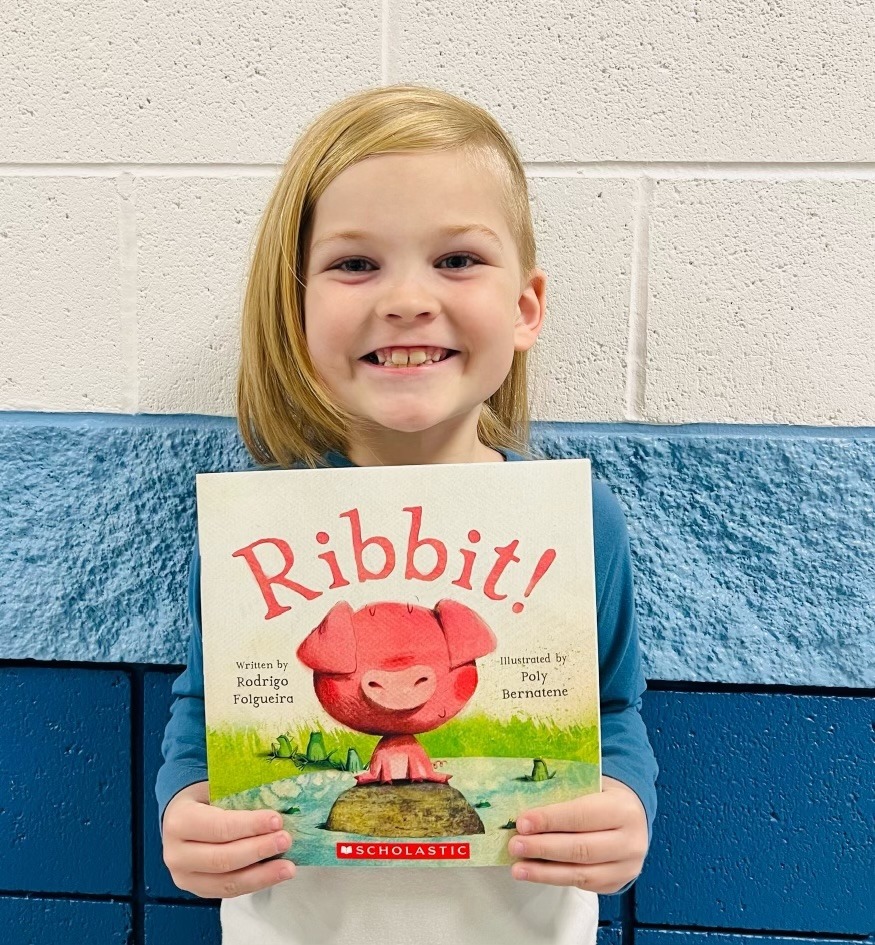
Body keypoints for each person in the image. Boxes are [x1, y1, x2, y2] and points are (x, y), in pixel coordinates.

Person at [156, 83, 657, 945]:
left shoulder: (581, 521)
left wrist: (625, 807)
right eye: (356, 264)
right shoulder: (252, 530)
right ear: (298, 307)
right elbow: (205, 709)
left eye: (457, 259)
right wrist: (187, 812)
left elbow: (613, 710)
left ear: (525, 308)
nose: (406, 299)